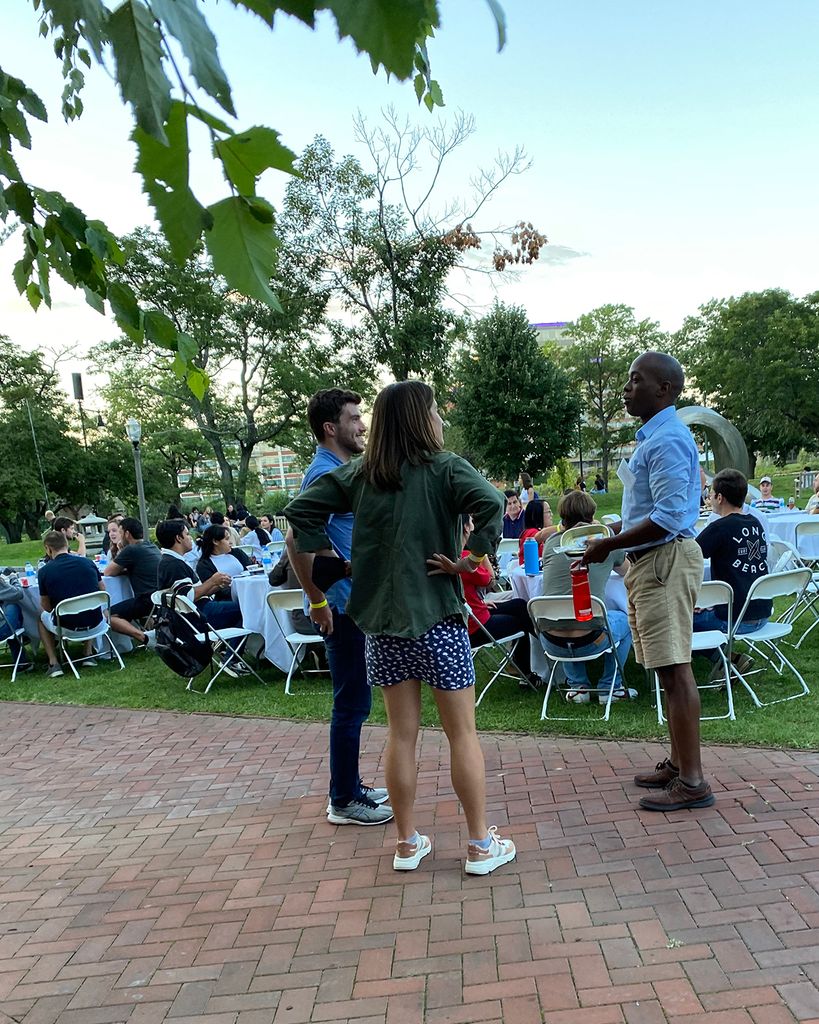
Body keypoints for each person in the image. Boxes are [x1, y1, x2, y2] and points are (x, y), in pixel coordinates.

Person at [285, 380, 516, 875]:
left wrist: (328, 566)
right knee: (462, 735)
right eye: (434, 411)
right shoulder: (446, 468)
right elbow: (492, 505)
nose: (440, 420)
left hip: (382, 627)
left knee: (400, 735)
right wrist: (471, 558)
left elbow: (300, 511)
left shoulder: (359, 474)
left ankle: (407, 844)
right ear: (421, 418)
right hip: (439, 620)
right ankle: (479, 846)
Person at [581, 351, 713, 812]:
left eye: (635, 380)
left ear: (665, 389)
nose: (626, 387)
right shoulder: (655, 438)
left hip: (664, 561)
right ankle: (678, 766)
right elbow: (653, 512)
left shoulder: (670, 439)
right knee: (665, 666)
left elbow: (672, 517)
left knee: (676, 669)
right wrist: (615, 534)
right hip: (650, 561)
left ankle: (693, 782)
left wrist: (610, 546)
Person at [284, 387, 392, 827]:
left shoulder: (340, 468)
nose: (362, 425)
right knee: (350, 704)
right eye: (354, 418)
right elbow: (296, 540)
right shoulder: (323, 474)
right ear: (331, 428)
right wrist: (317, 600)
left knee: (356, 702)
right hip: (342, 607)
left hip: (352, 604)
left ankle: (350, 783)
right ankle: (343, 798)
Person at [539, 491, 634, 703]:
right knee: (625, 619)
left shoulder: (551, 544)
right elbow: (629, 572)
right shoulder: (605, 542)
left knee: (565, 616)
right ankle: (611, 687)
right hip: (592, 639)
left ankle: (578, 686)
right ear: (592, 514)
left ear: (562, 517)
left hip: (551, 640)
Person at [436, 514, 536, 684]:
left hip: (469, 617)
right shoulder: (465, 559)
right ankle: (530, 671)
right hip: (476, 627)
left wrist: (479, 603)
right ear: (466, 527)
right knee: (523, 621)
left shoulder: (444, 557)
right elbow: (490, 580)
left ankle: (534, 659)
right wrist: (481, 548)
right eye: (472, 522)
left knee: (520, 606)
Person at [695, 469, 771, 675]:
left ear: (720, 497)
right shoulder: (755, 523)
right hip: (763, 612)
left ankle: (726, 662)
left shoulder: (719, 527)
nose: (709, 498)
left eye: (711, 494)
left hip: (735, 617)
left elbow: (690, 557)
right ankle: (730, 661)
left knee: (678, 620)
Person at [155, 519, 247, 673]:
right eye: (186, 534)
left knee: (242, 608)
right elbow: (188, 597)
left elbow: (193, 595)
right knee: (247, 610)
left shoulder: (171, 561)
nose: (190, 537)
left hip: (193, 614)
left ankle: (231, 654)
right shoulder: (173, 565)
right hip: (196, 618)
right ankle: (232, 658)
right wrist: (212, 580)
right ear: (178, 538)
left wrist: (214, 585)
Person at [38, 530, 105, 678]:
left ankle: (54, 663)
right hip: (96, 622)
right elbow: (102, 590)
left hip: (66, 627)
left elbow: (46, 606)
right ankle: (87, 654)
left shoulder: (45, 571)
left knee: (41, 618)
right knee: (89, 605)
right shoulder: (87, 562)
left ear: (48, 549)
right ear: (67, 544)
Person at [104, 516, 160, 647]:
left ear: (127, 534)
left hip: (147, 600)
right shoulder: (151, 546)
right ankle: (151, 633)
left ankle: (144, 637)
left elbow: (108, 572)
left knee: (107, 615)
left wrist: (121, 549)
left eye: (120, 532)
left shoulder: (131, 550)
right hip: (160, 598)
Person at [195, 525, 252, 597]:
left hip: (249, 589)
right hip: (229, 598)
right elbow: (211, 591)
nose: (231, 542)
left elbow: (251, 569)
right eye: (227, 539)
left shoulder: (237, 553)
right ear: (215, 541)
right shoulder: (204, 565)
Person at [0, 573, 33, 673]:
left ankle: (22, 663)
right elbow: (18, 593)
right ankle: (25, 634)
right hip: (2, 631)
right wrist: (13, 578)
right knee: (12, 604)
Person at [517, 499, 556, 564]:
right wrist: (561, 527)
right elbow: (540, 535)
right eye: (548, 511)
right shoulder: (530, 532)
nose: (551, 514)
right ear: (538, 514)